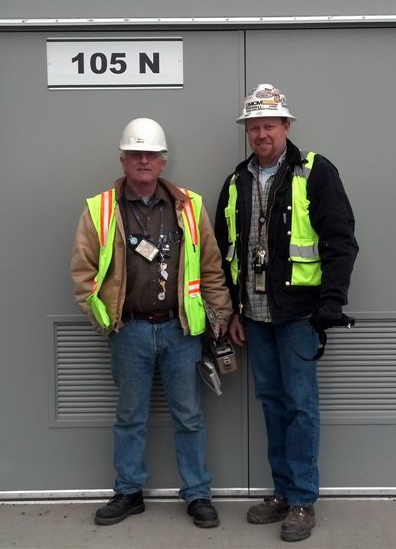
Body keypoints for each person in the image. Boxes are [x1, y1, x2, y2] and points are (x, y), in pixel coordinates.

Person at [71, 117, 232, 529]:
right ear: (123, 160)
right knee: (129, 416)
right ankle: (128, 491)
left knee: (190, 416)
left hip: (181, 331)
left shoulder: (190, 207)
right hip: (130, 332)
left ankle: (197, 493)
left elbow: (211, 268)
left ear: (163, 161)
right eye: (136, 154)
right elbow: (83, 274)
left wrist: (220, 317)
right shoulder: (101, 209)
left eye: (151, 154)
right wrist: (106, 321)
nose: (144, 161)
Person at [214, 84, 358, 542]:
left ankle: (301, 500)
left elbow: (341, 239)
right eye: (253, 126)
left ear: (286, 127)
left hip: (298, 315)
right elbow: (224, 251)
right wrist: (234, 310)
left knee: (301, 407)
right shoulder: (237, 181)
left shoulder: (315, 172)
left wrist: (332, 301)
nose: (261, 133)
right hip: (254, 316)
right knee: (273, 404)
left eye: (269, 125)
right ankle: (280, 493)